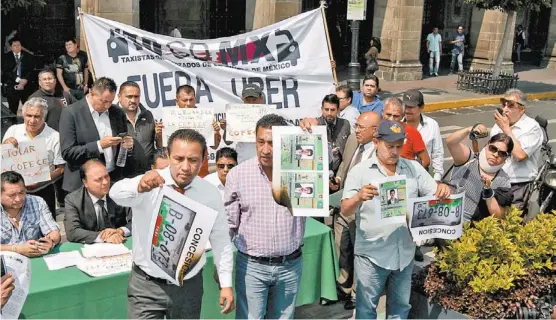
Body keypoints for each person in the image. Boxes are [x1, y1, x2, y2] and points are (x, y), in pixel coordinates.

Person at [109, 129, 234, 318]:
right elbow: (115, 193)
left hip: (188, 285)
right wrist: (138, 186)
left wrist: (226, 283)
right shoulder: (150, 182)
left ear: (204, 158)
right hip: (146, 286)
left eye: (193, 160)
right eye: (178, 159)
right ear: (168, 154)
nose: (185, 167)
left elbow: (220, 239)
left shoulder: (209, 193)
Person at [341, 120, 451, 319]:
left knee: (400, 308)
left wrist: (442, 189)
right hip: (372, 256)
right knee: (366, 310)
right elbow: (346, 209)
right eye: (389, 146)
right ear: (376, 142)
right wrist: (358, 197)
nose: (394, 151)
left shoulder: (412, 169)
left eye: (399, 147)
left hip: (404, 254)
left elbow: (435, 192)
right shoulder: (360, 172)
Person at [225, 114, 305, 319]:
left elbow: (327, 161)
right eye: (261, 142)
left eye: (272, 143)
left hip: (290, 265)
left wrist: (312, 132)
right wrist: (223, 268)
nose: (266, 149)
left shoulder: (302, 170)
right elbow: (229, 224)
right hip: (252, 267)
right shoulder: (238, 175)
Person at [59, 77, 144, 192]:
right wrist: (99, 145)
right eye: (104, 101)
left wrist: (126, 146)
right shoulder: (71, 113)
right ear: (91, 93)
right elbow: (68, 152)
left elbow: (121, 147)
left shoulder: (117, 113)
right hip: (83, 184)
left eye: (111, 101)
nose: (108, 105)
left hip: (113, 179)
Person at [2, 98, 65, 219]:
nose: (32, 120)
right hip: (14, 192)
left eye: (37, 116)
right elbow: (3, 160)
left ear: (44, 117)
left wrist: (41, 180)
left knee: (47, 231)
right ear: (23, 115)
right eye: (28, 115)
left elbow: (61, 168)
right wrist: (5, 144)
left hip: (43, 191)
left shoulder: (54, 137)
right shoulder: (13, 130)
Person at [444, 125, 513, 222]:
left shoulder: (503, 180)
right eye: (493, 148)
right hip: (446, 217)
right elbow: (450, 142)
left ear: (507, 157)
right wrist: (470, 129)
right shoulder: (469, 159)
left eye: (502, 153)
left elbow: (499, 216)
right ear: (487, 145)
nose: (496, 154)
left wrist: (488, 191)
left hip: (471, 229)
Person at [490, 89, 543, 212]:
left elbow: (520, 155)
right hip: (496, 181)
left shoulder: (531, 127)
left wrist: (506, 129)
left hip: (518, 185)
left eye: (511, 105)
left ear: (522, 109)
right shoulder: (500, 125)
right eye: (503, 104)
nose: (505, 109)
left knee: (511, 224)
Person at [158, 84, 221, 177]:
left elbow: (215, 146)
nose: (188, 103)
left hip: (200, 171)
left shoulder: (205, 118)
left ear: (195, 100)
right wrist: (159, 135)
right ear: (177, 101)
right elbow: (161, 146)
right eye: (184, 100)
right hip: (177, 170)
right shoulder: (169, 119)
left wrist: (215, 133)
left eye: (191, 100)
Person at [64, 160, 132, 244]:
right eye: (98, 180)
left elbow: (137, 219)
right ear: (85, 182)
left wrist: (120, 231)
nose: (105, 182)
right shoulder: (73, 200)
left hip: (120, 243)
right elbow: (72, 232)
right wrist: (102, 236)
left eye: (106, 176)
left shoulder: (119, 191)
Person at [0, 171, 61, 257]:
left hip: (36, 259)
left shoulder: (37, 202)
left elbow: (53, 231)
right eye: (12, 195)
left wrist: (50, 241)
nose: (18, 199)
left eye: (21, 192)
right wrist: (17, 249)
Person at [403, 89, 444, 181]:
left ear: (421, 107)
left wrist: (437, 178)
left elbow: (437, 153)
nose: (407, 110)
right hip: (401, 175)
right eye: (406, 106)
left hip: (423, 174)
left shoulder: (432, 125)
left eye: (412, 107)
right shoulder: (398, 124)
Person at [220, 83, 264, 164]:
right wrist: (227, 129)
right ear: (243, 99)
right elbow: (228, 142)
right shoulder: (237, 116)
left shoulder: (270, 116)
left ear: (261, 98)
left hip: (264, 161)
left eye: (254, 99)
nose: (251, 103)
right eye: (247, 100)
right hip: (243, 162)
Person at [382, 97, 430, 168]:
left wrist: (411, 175)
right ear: (382, 112)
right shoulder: (376, 129)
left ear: (402, 116)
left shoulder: (411, 132)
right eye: (388, 114)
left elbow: (425, 161)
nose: (391, 119)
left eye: (396, 116)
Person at [118, 81, 159, 163]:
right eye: (129, 97)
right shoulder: (112, 117)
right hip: (123, 173)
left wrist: (159, 136)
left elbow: (159, 145)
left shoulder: (148, 115)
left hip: (149, 170)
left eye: (136, 96)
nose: (133, 100)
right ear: (119, 97)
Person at [318, 94, 351, 173]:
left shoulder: (345, 124)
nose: (329, 113)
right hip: (321, 170)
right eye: (326, 109)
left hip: (339, 172)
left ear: (338, 110)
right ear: (322, 109)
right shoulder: (316, 125)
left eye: (332, 110)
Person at [1, 37, 34, 115]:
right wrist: (18, 80)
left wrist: (24, 81)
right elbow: (6, 71)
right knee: (12, 109)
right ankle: (13, 125)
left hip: (26, 86)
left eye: (18, 45)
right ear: (11, 47)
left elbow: (31, 70)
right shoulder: (5, 57)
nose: (17, 47)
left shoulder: (28, 56)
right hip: (12, 86)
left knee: (29, 108)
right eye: (14, 45)